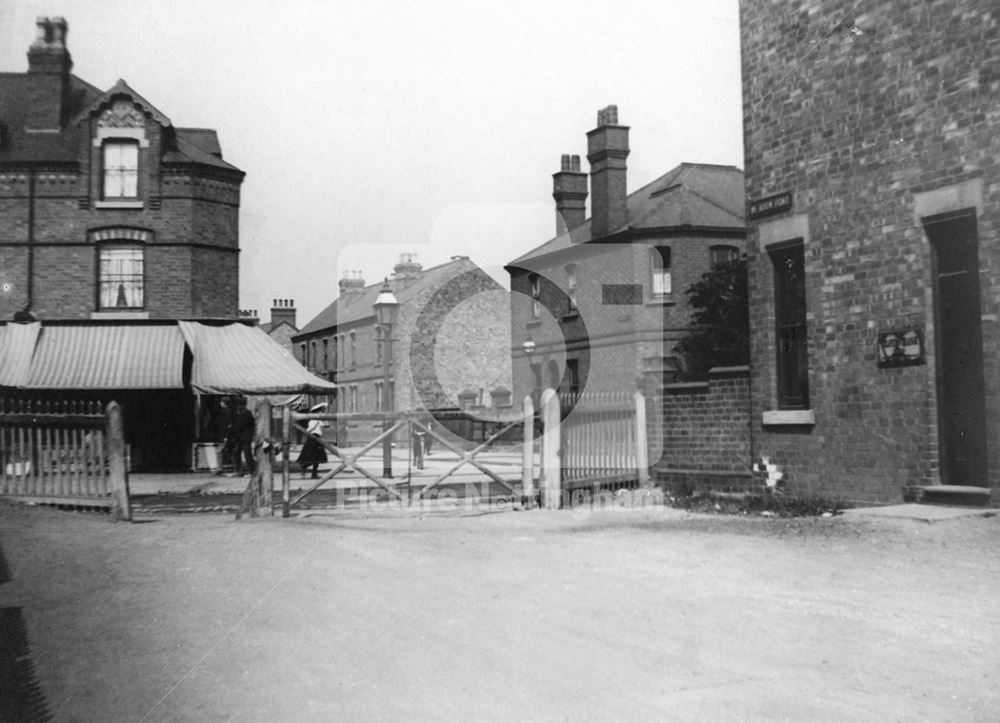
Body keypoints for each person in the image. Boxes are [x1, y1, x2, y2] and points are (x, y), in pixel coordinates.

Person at [297, 404, 329, 479]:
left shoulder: (318, 420)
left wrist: (324, 418)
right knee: (312, 457)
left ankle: (314, 474)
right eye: (320, 411)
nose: (322, 413)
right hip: (313, 439)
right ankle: (304, 467)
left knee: (317, 457)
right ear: (317, 412)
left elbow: (326, 425)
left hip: (317, 439)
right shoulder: (313, 420)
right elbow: (309, 430)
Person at [231, 396, 256, 477]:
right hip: (246, 436)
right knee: (242, 453)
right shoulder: (248, 412)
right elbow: (253, 424)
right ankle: (244, 470)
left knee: (243, 453)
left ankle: (247, 470)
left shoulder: (242, 413)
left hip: (242, 436)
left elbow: (239, 425)